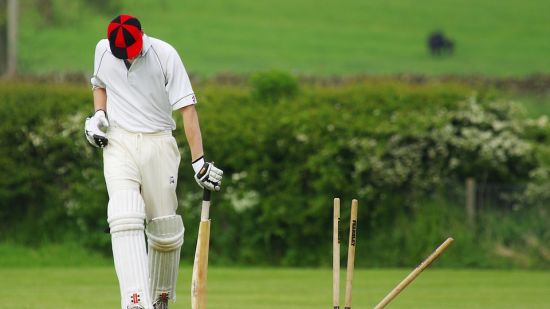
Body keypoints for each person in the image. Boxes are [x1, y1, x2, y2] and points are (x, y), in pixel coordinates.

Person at [84, 14, 223, 309]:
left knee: (165, 231)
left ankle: (159, 298)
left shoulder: (165, 55)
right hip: (119, 141)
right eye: (122, 52)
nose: (127, 56)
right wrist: (99, 116)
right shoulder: (103, 50)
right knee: (124, 214)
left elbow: (187, 109)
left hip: (158, 140)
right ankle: (135, 302)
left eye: (131, 49)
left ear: (142, 35)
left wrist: (198, 162)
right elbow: (100, 84)